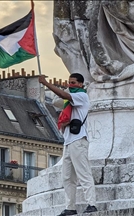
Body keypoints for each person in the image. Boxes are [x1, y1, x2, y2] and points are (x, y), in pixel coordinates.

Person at [38, 73, 97, 216]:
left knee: (83, 173)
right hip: (69, 141)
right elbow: (57, 100)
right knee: (67, 177)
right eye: (69, 82)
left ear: (81, 84)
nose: (71, 85)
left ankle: (92, 204)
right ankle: (70, 207)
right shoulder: (69, 100)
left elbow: (64, 96)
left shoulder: (82, 96)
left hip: (78, 140)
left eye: (74, 83)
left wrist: (45, 83)